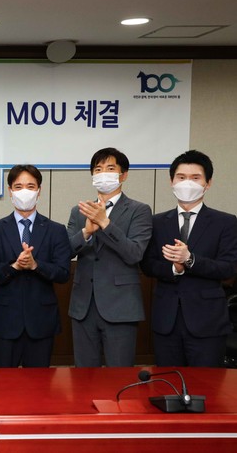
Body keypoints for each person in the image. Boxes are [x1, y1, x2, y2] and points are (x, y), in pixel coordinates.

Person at [141, 150, 237, 367]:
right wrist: (175, 269)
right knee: (167, 381)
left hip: (207, 322)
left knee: (207, 384)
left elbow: (228, 267)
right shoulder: (156, 222)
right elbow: (147, 264)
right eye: (181, 177)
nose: (187, 183)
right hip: (166, 320)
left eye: (195, 178)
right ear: (172, 182)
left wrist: (190, 259)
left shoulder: (225, 222)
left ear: (208, 183)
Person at [67, 147, 152, 367]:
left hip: (121, 306)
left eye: (110, 168)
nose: (103, 173)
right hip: (83, 306)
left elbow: (134, 253)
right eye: (98, 169)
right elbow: (66, 251)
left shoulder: (139, 210)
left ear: (123, 175)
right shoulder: (79, 211)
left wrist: (105, 223)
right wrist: (86, 232)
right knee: (84, 377)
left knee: (120, 376)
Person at [0, 165, 71, 368]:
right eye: (18, 186)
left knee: (39, 383)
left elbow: (63, 273)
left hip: (41, 321)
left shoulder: (56, 230)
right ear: (10, 191)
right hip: (5, 321)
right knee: (3, 382)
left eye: (30, 186)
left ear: (39, 191)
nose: (24, 191)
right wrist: (15, 266)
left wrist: (35, 265)